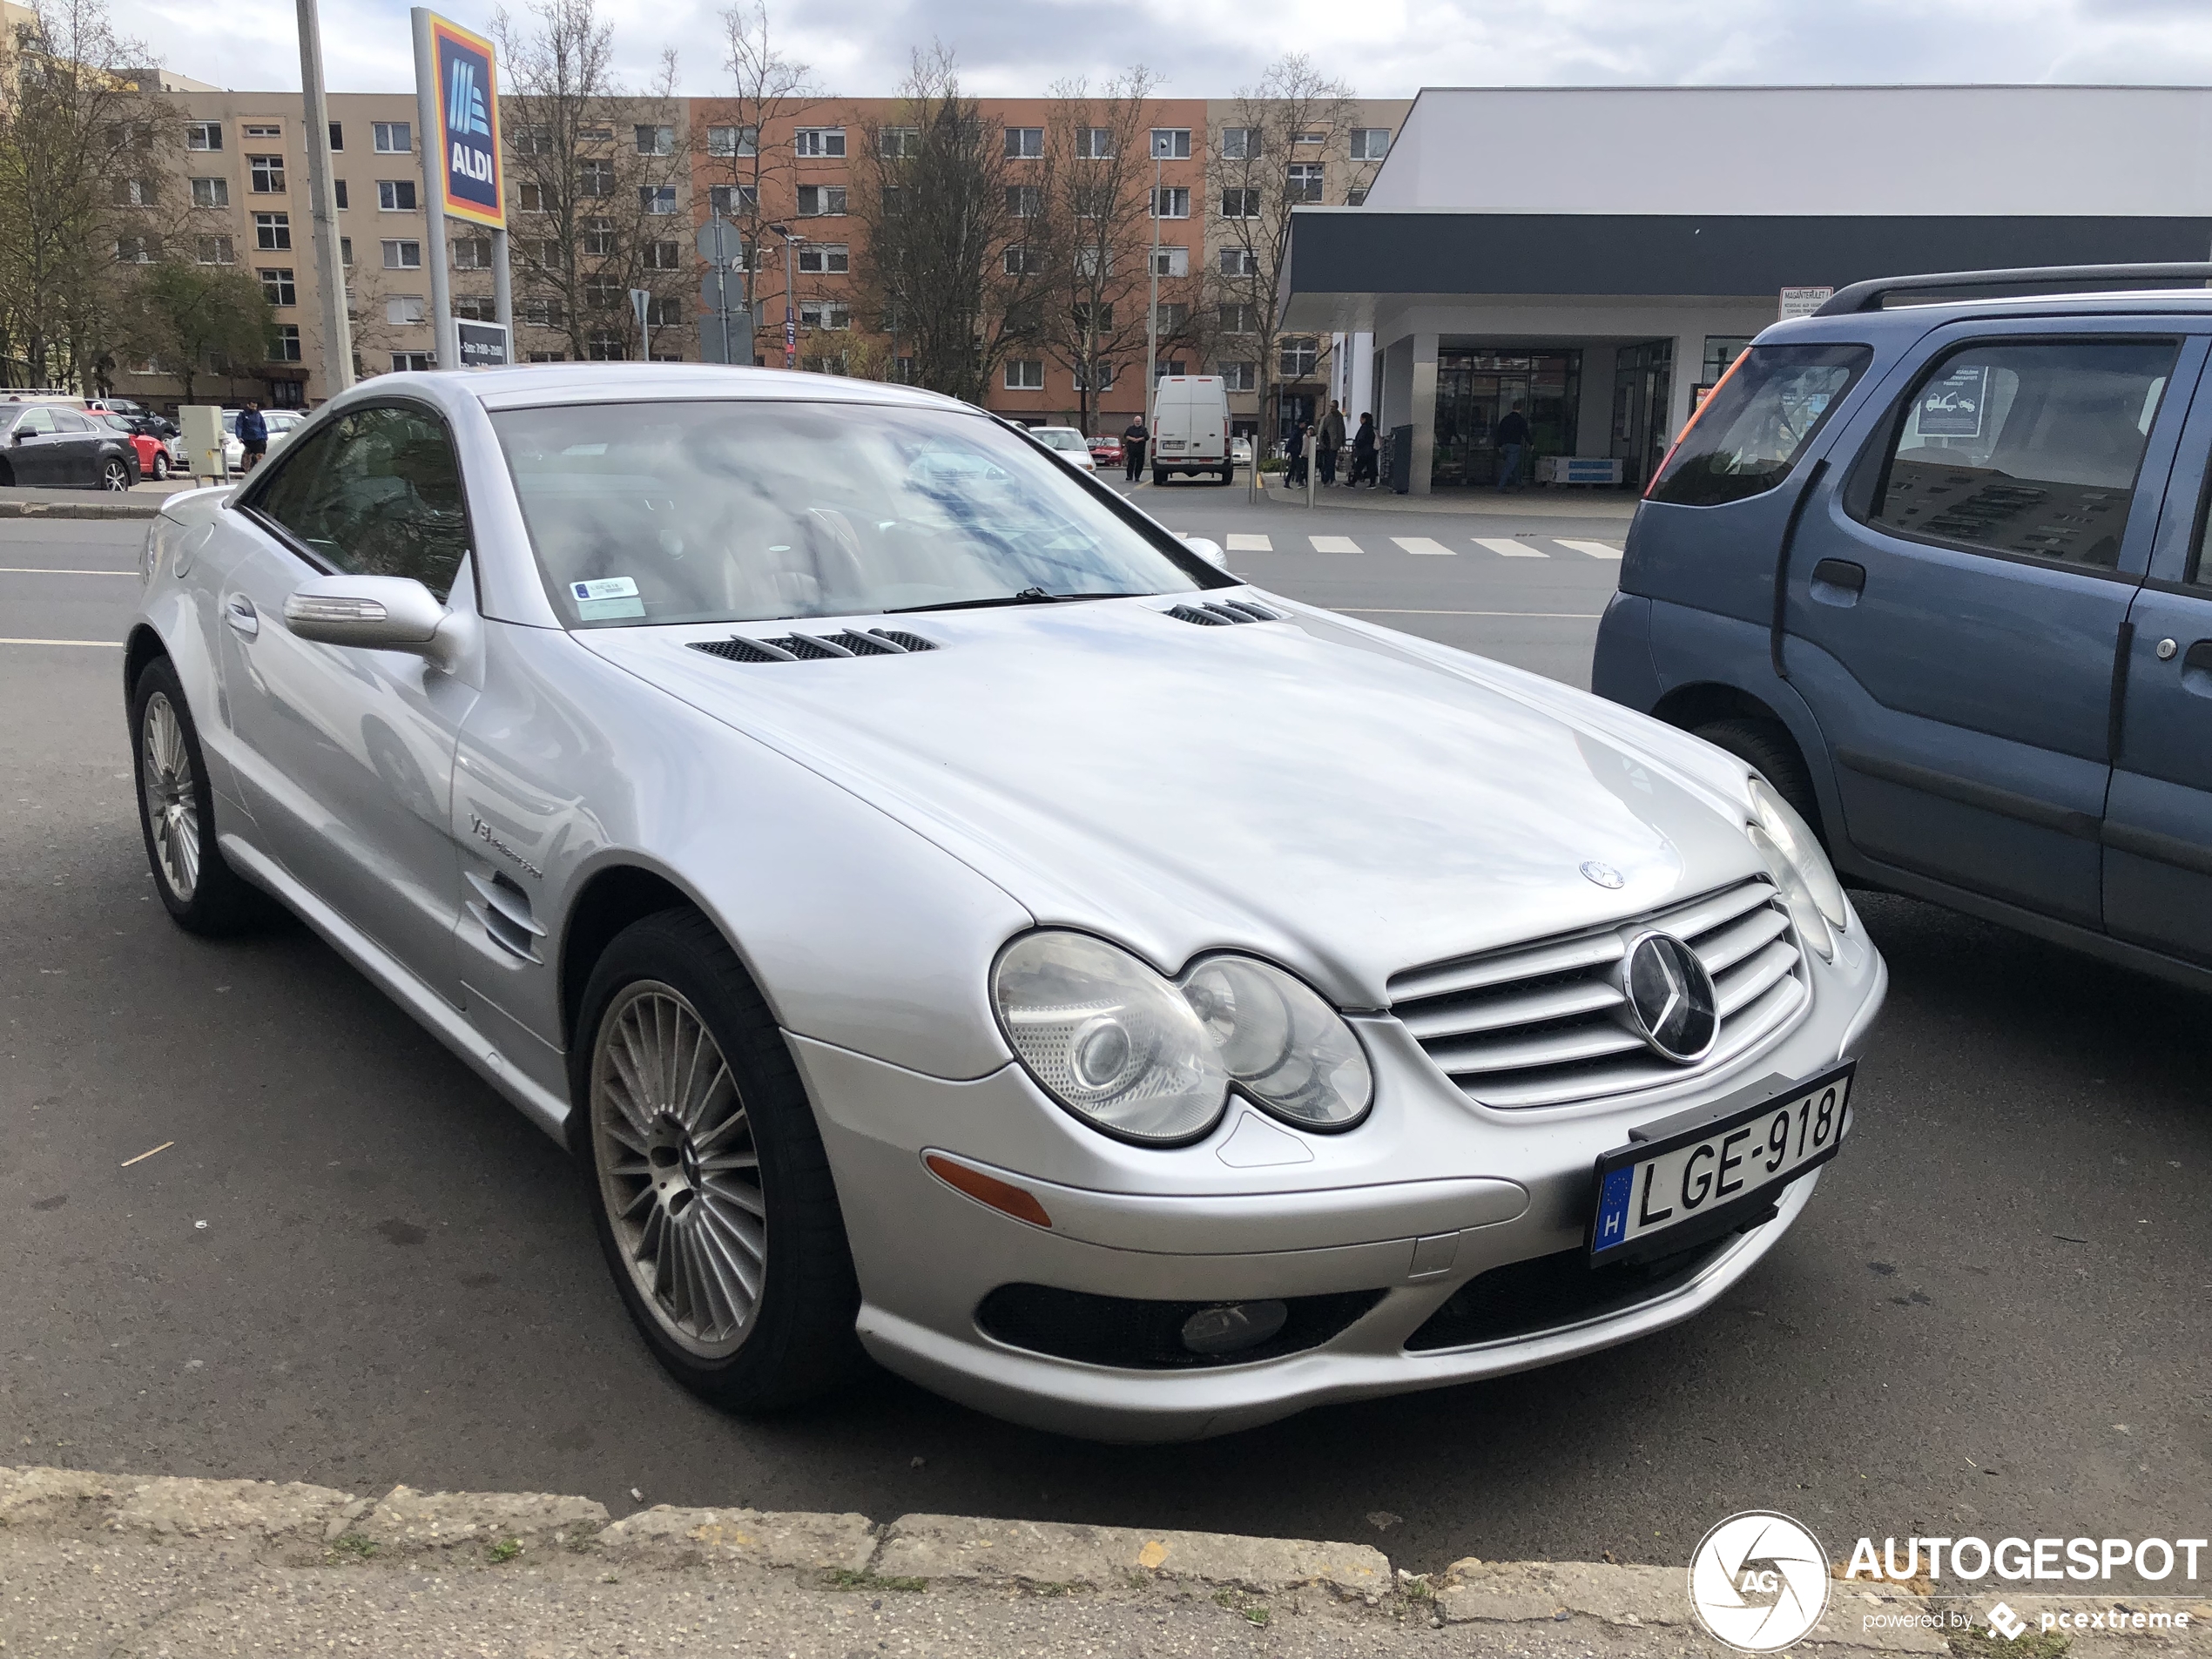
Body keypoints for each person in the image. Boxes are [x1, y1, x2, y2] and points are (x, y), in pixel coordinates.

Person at [1494, 402, 1528, 491]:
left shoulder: (1506, 419)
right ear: (1521, 409)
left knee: (1514, 465)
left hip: (1505, 445)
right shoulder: (1520, 420)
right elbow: (1525, 432)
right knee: (1509, 466)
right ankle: (1500, 486)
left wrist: (1500, 445)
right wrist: (1531, 443)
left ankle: (1519, 483)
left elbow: (1499, 432)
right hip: (1515, 446)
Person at [1318, 400, 1345, 486]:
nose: (1331, 408)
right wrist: (1321, 442)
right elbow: (1321, 431)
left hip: (1336, 443)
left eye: (1333, 406)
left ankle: (1329, 480)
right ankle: (1328, 479)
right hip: (1328, 444)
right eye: (1330, 406)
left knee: (1331, 462)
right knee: (1329, 462)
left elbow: (1342, 429)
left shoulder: (1339, 417)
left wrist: (1343, 440)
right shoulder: (1326, 418)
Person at [236, 401, 268, 472]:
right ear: (248, 405)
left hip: (259, 438)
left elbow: (263, 426)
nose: (254, 408)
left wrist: (264, 435)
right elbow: (239, 425)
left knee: (260, 456)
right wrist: (239, 436)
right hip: (248, 439)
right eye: (252, 406)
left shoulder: (258, 415)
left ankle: (261, 470)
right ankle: (247, 471)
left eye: (255, 407)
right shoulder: (243, 414)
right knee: (247, 456)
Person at [1349, 412, 1379, 487]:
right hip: (1371, 451)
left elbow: (1360, 439)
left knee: (1359, 466)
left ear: (1364, 419)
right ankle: (1372, 482)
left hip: (1364, 451)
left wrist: (1357, 445)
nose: (1360, 420)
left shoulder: (1364, 428)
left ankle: (1354, 481)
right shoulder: (1371, 428)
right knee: (1371, 466)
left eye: (1361, 418)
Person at [1122, 415, 1148, 482]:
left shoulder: (1144, 429)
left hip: (1140, 449)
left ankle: (1137, 477)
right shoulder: (1130, 428)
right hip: (1131, 449)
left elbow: (1147, 437)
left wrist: (1139, 439)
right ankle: (1129, 476)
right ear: (1134, 421)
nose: (1137, 422)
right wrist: (1132, 439)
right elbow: (1126, 435)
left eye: (1139, 421)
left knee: (1140, 464)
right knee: (1130, 463)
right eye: (1136, 421)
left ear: (1141, 422)